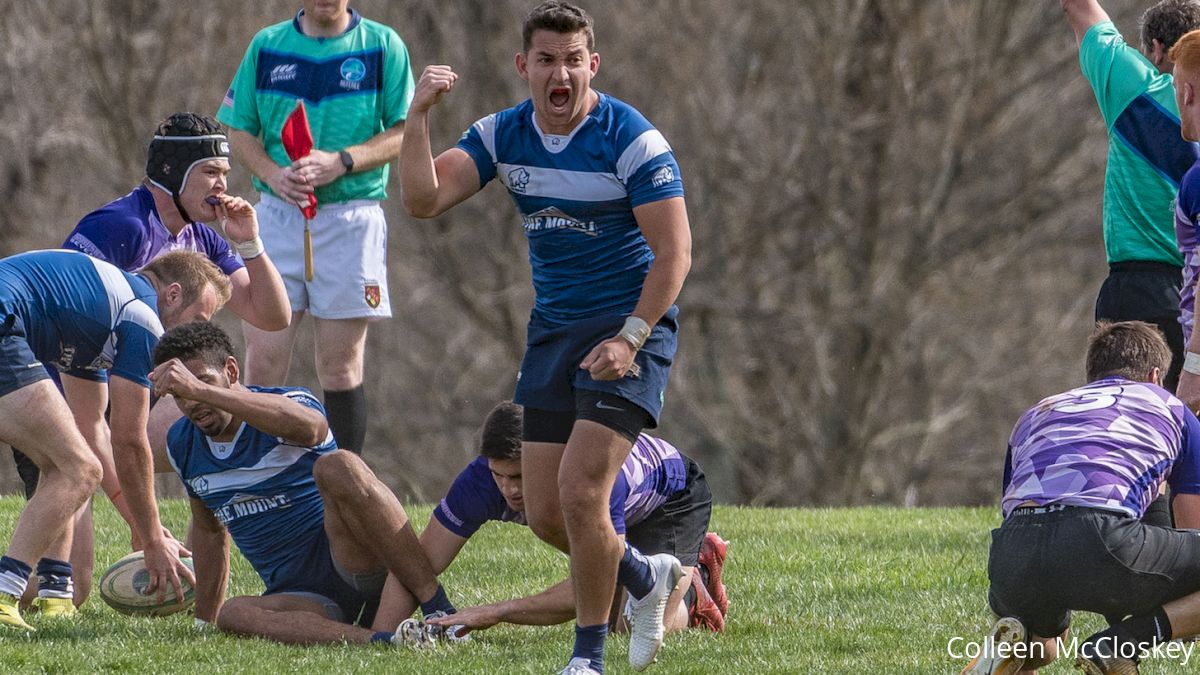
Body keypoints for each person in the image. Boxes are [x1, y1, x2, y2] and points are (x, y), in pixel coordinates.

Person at [398, 2, 693, 671]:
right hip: (554, 333)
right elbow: (423, 199)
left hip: (629, 329)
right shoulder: (505, 135)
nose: (560, 71)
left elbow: (675, 254)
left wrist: (631, 337)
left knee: (584, 489)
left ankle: (586, 656)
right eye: (546, 59)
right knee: (547, 515)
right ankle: (644, 573)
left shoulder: (631, 139)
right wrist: (415, 119)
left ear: (593, 64)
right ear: (524, 66)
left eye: (572, 58)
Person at [11, 111, 291, 609]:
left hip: (109, 397)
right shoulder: (120, 228)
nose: (221, 185)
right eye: (210, 171)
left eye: (225, 174)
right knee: (63, 582)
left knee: (216, 409)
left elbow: (272, 315)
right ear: (172, 172)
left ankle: (215, 533)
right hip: (48, 387)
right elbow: (91, 408)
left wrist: (247, 242)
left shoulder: (202, 236)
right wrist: (141, 527)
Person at [151, 320, 458, 646]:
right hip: (303, 599)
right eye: (181, 395)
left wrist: (201, 391)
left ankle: (439, 609)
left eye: (203, 383)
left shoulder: (287, 402)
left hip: (358, 564)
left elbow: (313, 428)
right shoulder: (182, 443)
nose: (193, 403)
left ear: (231, 370)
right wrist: (203, 621)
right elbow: (210, 532)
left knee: (340, 464)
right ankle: (382, 641)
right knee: (235, 613)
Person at [216, 0, 415, 455]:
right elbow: (240, 132)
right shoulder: (267, 46)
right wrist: (272, 174)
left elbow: (404, 133)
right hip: (277, 218)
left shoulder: (383, 45)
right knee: (264, 361)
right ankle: (259, 480)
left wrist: (342, 162)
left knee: (340, 366)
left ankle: (347, 490)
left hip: (350, 218)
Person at [0, 249, 229, 631]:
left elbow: (94, 430)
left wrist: (140, 525)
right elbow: (130, 439)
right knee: (77, 469)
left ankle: (56, 594)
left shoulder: (99, 315)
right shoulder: (143, 316)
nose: (191, 341)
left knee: (66, 459)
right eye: (197, 320)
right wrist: (154, 539)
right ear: (171, 295)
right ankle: (5, 591)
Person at [960, 321, 1200, 675]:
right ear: (1154, 376)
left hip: (1012, 553)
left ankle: (1019, 642)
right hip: (1097, 539)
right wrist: (1170, 618)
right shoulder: (1170, 407)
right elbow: (1192, 528)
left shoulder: (1039, 411)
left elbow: (1016, 505)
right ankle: (1119, 645)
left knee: (1043, 648)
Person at [375, 401, 727, 636]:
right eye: (500, 475)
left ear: (543, 464)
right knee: (615, 605)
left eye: (519, 477)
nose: (509, 490)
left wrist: (496, 612)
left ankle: (695, 582)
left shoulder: (587, 481)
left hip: (672, 500)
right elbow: (416, 564)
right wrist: (382, 636)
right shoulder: (480, 481)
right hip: (617, 522)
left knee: (633, 626)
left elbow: (588, 588)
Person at [1062, 0, 1200, 394]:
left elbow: (1079, 8)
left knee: (1124, 423)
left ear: (1157, 50)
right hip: (1193, 295)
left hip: (1139, 292)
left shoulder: (1136, 88)